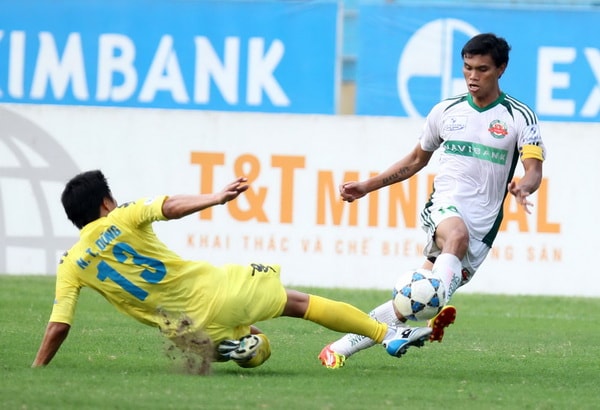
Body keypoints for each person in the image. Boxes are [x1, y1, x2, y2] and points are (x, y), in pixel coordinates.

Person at [32, 170, 433, 372]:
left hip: (185, 331)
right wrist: (215, 197)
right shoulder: (121, 216)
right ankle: (386, 335)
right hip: (218, 291)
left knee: (259, 345)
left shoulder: (70, 265)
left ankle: (236, 347)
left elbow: (59, 326)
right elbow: (168, 206)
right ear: (106, 202)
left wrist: (37, 369)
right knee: (298, 303)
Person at [318, 33, 545, 368]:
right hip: (445, 206)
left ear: (501, 69)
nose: (472, 76)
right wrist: (366, 186)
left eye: (482, 69)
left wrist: (524, 187)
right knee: (454, 241)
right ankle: (430, 306)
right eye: (467, 68)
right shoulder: (446, 111)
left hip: (483, 228)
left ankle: (338, 348)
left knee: (408, 305)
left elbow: (534, 171)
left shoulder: (519, 116)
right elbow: (414, 161)